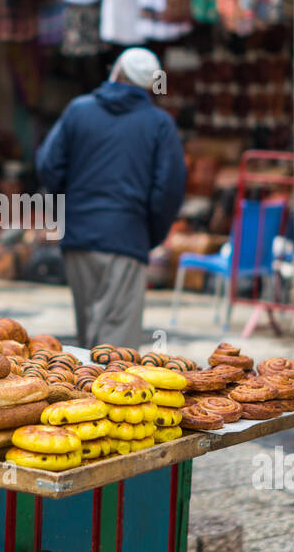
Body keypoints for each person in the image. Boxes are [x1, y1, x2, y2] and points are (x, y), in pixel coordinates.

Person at [36, 46, 185, 349]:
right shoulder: (159, 124)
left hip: (78, 239)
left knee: (89, 338)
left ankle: (86, 395)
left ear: (116, 72)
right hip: (125, 240)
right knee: (116, 350)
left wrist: (71, 210)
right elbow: (168, 189)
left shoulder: (79, 109)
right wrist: (149, 234)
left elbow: (48, 165)